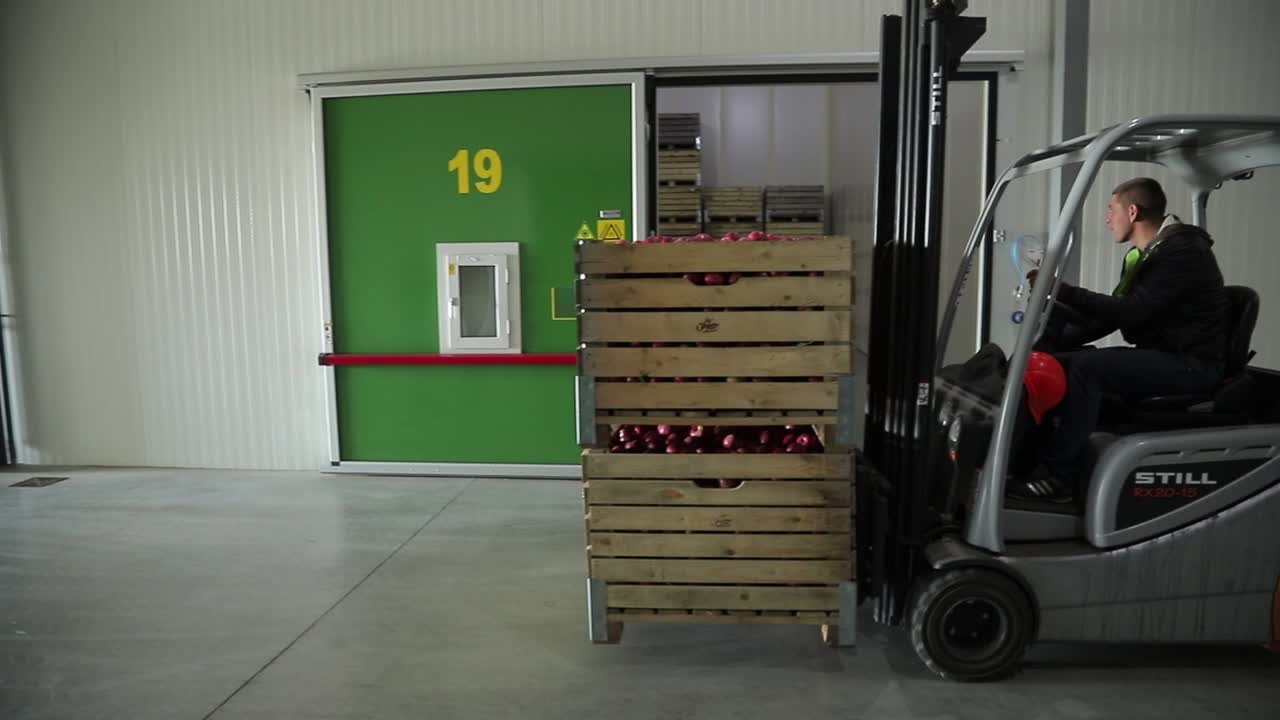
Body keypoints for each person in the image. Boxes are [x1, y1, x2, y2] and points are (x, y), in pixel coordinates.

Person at [1012, 177, 1229, 502]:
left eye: (1110, 210)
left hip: (1192, 365)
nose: (1107, 218)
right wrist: (1058, 327)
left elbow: (1131, 312)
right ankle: (1023, 462)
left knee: (1089, 368)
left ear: (1132, 211)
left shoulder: (1183, 253)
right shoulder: (1148, 254)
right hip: (1165, 355)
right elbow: (1108, 317)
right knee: (1057, 362)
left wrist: (1060, 288)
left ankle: (1060, 478)